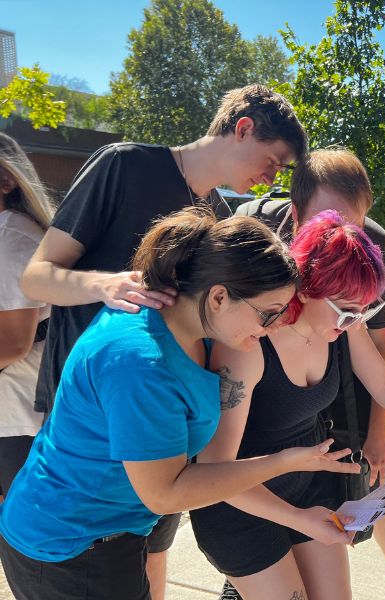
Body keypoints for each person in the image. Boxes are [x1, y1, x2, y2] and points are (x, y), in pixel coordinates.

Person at [19, 83, 307, 600]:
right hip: (97, 414)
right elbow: (35, 277)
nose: (272, 178)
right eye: (273, 160)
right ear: (242, 128)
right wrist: (102, 284)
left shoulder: (217, 219)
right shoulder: (124, 166)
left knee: (148, 549)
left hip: (158, 422)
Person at [0, 207, 364, 600]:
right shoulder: (141, 362)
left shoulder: (192, 324)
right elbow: (166, 493)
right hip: (70, 544)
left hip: (106, 532)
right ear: (220, 296)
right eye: (269, 314)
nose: (275, 326)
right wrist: (286, 460)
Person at [190, 210, 385, 600]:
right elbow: (215, 471)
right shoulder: (247, 343)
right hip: (241, 501)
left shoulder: (344, 323)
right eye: (346, 311)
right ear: (306, 287)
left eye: (364, 312)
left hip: (309, 483)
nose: (353, 323)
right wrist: (298, 519)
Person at [235, 148, 385, 600]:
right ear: (295, 217)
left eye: (352, 224)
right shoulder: (248, 331)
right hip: (253, 492)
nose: (338, 237)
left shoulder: (353, 292)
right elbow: (217, 468)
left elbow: (383, 367)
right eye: (324, 221)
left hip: (310, 461)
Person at [0, 133, 53, 500]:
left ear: (7, 180)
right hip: (22, 411)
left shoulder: (11, 237)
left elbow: (14, 343)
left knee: (15, 532)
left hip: (16, 416)